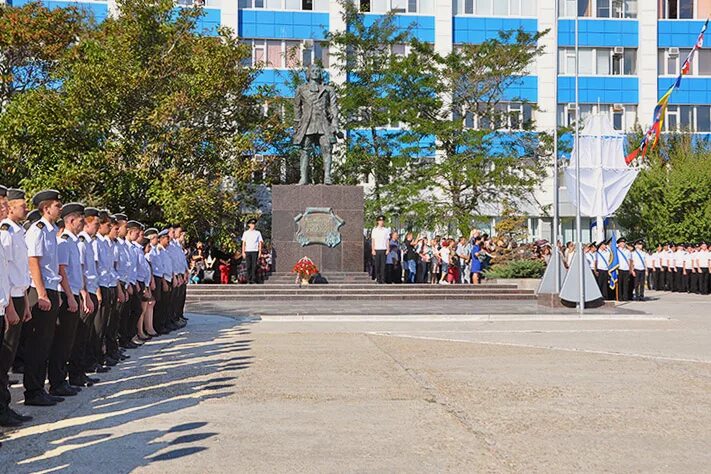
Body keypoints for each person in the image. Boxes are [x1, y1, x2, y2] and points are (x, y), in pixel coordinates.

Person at [23, 190, 64, 406]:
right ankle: (33, 391)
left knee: (46, 342)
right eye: (57, 205)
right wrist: (41, 293)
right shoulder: (37, 231)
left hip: (51, 288)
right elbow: (33, 263)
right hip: (41, 291)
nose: (60, 209)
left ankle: (40, 388)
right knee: (37, 343)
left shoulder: (51, 231)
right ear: (46, 208)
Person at [0, 188, 33, 424]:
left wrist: (21, 301)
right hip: (8, 299)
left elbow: (10, 272)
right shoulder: (5, 233)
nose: (3, 207)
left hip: (13, 297)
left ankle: (4, 406)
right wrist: (10, 304)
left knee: (6, 359)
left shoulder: (17, 232)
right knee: (4, 358)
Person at [49, 203, 86, 397]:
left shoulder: (72, 241)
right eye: (81, 219)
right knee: (62, 342)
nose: (83, 222)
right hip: (66, 294)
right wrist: (71, 297)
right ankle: (57, 382)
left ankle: (65, 379)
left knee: (71, 340)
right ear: (71, 220)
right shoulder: (63, 241)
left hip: (74, 293)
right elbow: (61, 271)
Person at [241, 218, 263, 284]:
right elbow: (244, 243)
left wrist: (260, 252)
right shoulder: (246, 233)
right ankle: (248, 279)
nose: (253, 225)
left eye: (254, 224)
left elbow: (260, 243)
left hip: (255, 251)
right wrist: (243, 252)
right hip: (248, 251)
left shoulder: (258, 233)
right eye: (252, 224)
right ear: (249, 225)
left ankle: (253, 279)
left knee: (254, 266)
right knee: (248, 266)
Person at [371, 215, 389, 284]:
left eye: (382, 221)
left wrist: (388, 249)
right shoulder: (374, 230)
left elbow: (387, 240)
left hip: (383, 249)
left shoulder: (386, 230)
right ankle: (378, 279)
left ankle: (383, 279)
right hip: (377, 249)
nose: (381, 222)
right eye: (380, 221)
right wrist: (373, 249)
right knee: (377, 265)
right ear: (377, 221)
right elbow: (373, 240)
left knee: (383, 266)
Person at [616, 237, 631, 302]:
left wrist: (630, 268)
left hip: (626, 269)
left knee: (626, 284)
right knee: (620, 284)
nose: (623, 244)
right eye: (621, 242)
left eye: (624, 242)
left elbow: (629, 260)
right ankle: (620, 297)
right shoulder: (616, 251)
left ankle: (625, 297)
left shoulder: (627, 251)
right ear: (618, 244)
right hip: (619, 269)